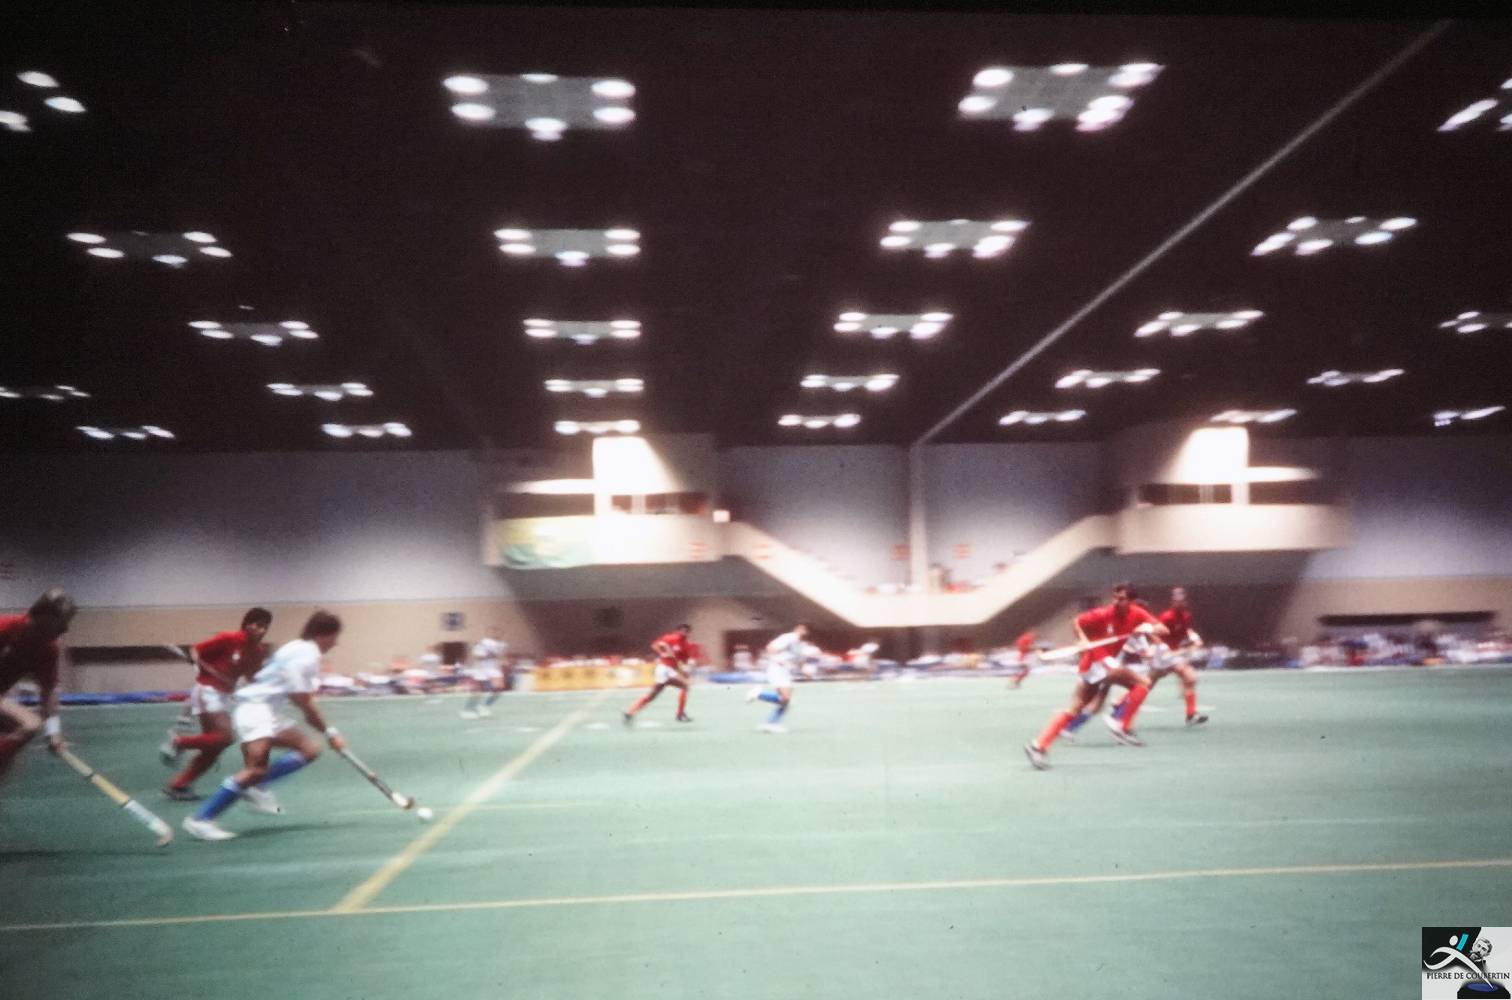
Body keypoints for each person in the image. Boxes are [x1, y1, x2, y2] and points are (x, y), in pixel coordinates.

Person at [182, 611, 346, 842]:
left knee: (309, 750)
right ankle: (201, 820)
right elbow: (303, 702)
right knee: (255, 769)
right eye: (335, 637)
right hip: (255, 710)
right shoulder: (307, 656)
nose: (335, 643)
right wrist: (330, 732)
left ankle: (256, 787)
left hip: (269, 710)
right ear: (323, 635)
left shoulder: (295, 647)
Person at [1024, 584, 1167, 770]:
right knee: (1143, 683)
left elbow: (1163, 630)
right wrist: (1082, 640)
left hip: (1100, 666)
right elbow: (1077, 621)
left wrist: (1146, 629)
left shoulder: (1138, 613)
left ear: (1131, 601)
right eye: (1115, 597)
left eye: (1121, 599)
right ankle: (1121, 726)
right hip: (1094, 662)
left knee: (1076, 708)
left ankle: (1038, 745)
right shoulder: (1103, 614)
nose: (1116, 602)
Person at [159, 608, 272, 800]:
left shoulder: (257, 651)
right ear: (247, 624)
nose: (262, 630)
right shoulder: (228, 639)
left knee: (214, 747)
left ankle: (179, 785)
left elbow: (253, 678)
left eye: (265, 627)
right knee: (225, 737)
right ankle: (179, 742)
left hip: (223, 696)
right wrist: (199, 662)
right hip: (207, 691)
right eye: (258, 625)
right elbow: (196, 650)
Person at [0, 589, 76, 781]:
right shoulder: (7, 627)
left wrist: (53, 731)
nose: (65, 629)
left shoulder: (48, 649)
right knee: (30, 724)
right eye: (62, 621)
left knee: (13, 746)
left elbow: (48, 691)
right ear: (44, 615)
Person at [1108, 587, 1209, 727]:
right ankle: (1121, 706)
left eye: (1181, 600)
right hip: (1163, 654)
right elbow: (1154, 631)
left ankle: (1120, 704)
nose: (1179, 602)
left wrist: (1193, 638)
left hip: (1173, 655)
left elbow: (1184, 632)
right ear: (1173, 602)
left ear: (1185, 601)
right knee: (1175, 678)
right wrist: (1161, 647)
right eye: (1176, 600)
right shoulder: (1167, 616)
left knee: (1158, 681)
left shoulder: (1186, 616)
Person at [623, 623, 695, 726]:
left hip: (670, 670)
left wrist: (684, 671)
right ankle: (680, 714)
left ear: (689, 632)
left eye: (686, 631)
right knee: (685, 686)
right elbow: (655, 645)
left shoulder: (686, 645)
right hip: (664, 669)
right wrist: (663, 653)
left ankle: (630, 713)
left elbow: (683, 661)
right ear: (677, 631)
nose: (684, 632)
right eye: (682, 630)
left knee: (652, 696)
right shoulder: (670, 638)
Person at [746, 623, 809, 734]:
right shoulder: (789, 637)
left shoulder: (800, 644)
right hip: (777, 669)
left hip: (785, 671)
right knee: (785, 699)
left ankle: (770, 723)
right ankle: (759, 696)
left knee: (785, 700)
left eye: (806, 630)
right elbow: (770, 647)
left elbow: (799, 659)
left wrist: (804, 670)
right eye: (803, 629)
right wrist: (778, 660)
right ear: (798, 628)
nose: (804, 631)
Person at [460, 627, 509, 719]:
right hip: (482, 668)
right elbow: (477, 656)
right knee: (478, 691)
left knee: (499, 688)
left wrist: (503, 661)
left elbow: (501, 656)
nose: (496, 633)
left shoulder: (502, 644)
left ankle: (485, 706)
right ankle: (467, 710)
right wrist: (489, 655)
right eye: (494, 631)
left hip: (494, 668)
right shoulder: (483, 643)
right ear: (489, 633)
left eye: (499, 632)